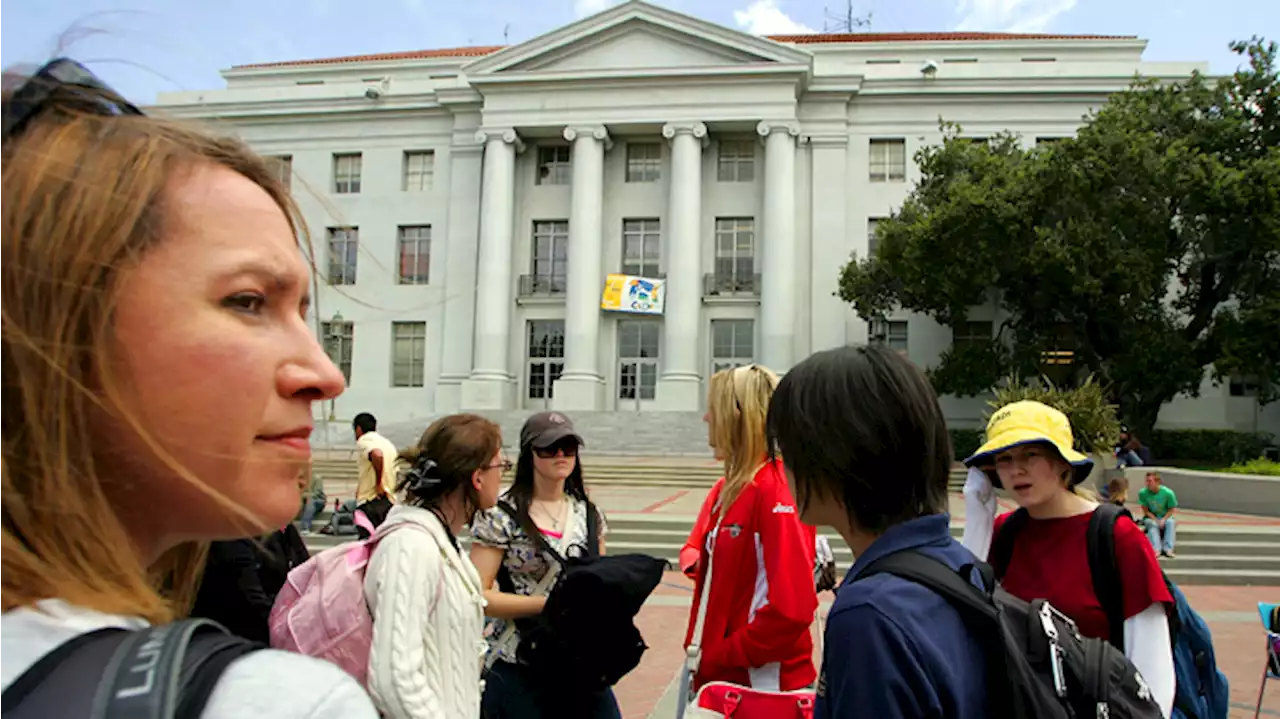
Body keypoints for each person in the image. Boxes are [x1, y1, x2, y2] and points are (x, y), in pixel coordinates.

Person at [0, 58, 376, 716]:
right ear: (55, 325)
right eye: (250, 301)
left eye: (303, 312)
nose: (325, 374)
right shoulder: (276, 703)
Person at [765, 345, 989, 719]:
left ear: (835, 454)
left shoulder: (869, 616)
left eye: (788, 446)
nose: (784, 464)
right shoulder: (960, 565)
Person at [961, 400, 1175, 717]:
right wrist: (977, 518)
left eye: (1029, 455)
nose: (1016, 470)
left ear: (1063, 463)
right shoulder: (1003, 534)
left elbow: (1151, 660)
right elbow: (965, 615)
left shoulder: (1116, 537)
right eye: (1004, 459)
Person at [470, 411, 619, 718]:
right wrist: (547, 604)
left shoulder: (590, 516)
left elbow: (598, 582)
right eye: (549, 448)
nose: (561, 455)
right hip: (520, 659)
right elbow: (478, 595)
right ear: (530, 455)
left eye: (568, 447)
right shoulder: (499, 516)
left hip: (581, 662)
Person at [681, 365, 818, 694]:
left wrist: (724, 655)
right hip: (723, 680)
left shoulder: (773, 487)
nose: (706, 419)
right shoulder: (735, 487)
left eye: (714, 409)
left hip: (760, 688)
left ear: (738, 415)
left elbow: (792, 610)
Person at [364, 414, 506, 718]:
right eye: (500, 465)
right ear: (477, 477)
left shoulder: (442, 542)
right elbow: (393, 679)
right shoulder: (411, 547)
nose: (503, 475)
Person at [353, 412, 399, 535]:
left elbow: (377, 454)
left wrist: (379, 483)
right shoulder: (388, 444)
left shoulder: (364, 440)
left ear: (358, 429)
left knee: (366, 543)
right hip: (389, 502)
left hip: (371, 502)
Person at [1138, 472, 1178, 558]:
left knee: (1170, 523)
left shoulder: (1168, 493)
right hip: (1151, 516)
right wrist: (1156, 520)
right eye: (1147, 481)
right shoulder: (1143, 493)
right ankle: (1156, 549)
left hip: (1166, 516)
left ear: (1157, 482)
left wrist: (1163, 519)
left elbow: (1171, 509)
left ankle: (1168, 549)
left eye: (1150, 481)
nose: (1147, 484)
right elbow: (1146, 510)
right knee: (1151, 524)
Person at [299, 467, 327, 534]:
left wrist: (303, 495)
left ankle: (305, 527)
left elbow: (316, 494)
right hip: (304, 501)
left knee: (310, 501)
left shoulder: (317, 479)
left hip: (318, 501)